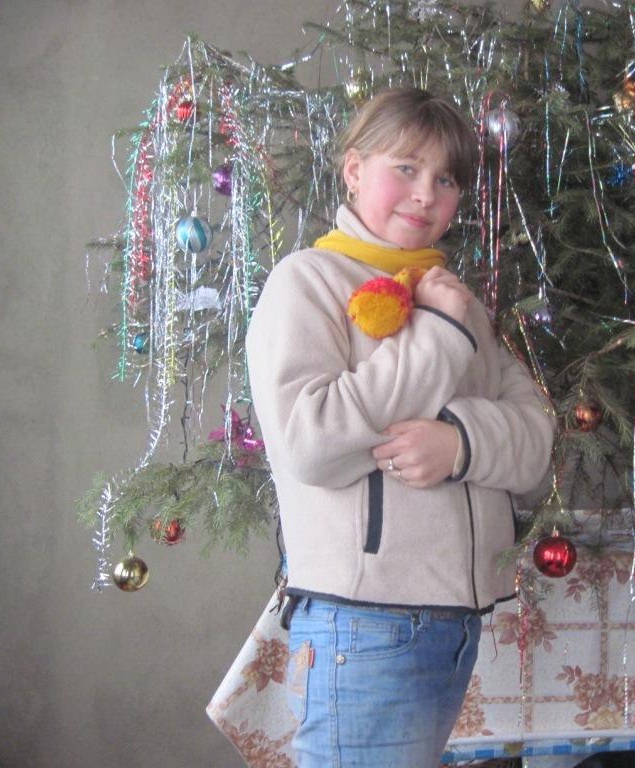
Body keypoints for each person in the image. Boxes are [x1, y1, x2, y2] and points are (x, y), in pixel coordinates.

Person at [245, 87, 555, 768]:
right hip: (366, 621)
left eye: (446, 179)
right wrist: (437, 334)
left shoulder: (455, 299)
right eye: (407, 168)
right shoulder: (307, 283)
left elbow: (536, 442)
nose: (425, 194)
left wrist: (460, 444)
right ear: (354, 170)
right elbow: (312, 443)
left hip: (454, 623)